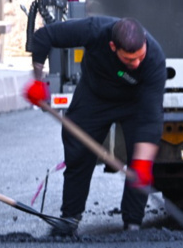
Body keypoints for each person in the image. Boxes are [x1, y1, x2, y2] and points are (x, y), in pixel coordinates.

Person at [27, 16, 166, 236]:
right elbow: (44, 36)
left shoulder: (154, 59)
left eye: (140, 56)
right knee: (78, 152)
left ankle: (133, 224)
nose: (136, 64)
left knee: (139, 163)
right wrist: (36, 80)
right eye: (129, 59)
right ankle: (70, 218)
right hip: (94, 95)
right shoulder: (95, 30)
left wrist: (143, 162)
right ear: (112, 46)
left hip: (135, 103)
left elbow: (151, 118)